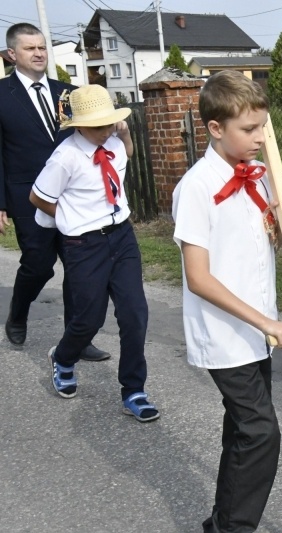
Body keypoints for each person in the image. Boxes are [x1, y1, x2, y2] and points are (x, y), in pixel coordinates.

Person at [172, 70, 282, 533]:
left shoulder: (261, 177)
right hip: (224, 333)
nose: (260, 138)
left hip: (256, 330)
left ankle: (221, 524)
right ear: (215, 128)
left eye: (262, 126)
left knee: (242, 432)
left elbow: (264, 245)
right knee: (261, 432)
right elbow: (198, 278)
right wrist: (266, 323)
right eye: (249, 129)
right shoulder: (196, 186)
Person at [29, 84, 157, 423]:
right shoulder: (66, 157)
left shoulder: (113, 141)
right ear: (80, 126)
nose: (105, 130)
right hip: (84, 245)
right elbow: (38, 197)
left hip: (122, 237)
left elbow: (126, 156)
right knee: (89, 318)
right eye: (97, 125)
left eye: (109, 122)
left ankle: (133, 390)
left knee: (135, 314)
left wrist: (124, 134)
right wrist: (71, 218)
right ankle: (63, 357)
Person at [0, 23, 109, 361]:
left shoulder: (68, 94)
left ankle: (77, 339)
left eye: (42, 47)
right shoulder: (2, 94)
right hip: (27, 197)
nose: (38, 53)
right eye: (30, 48)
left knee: (78, 268)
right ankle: (18, 313)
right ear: (12, 54)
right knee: (39, 264)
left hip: (72, 195)